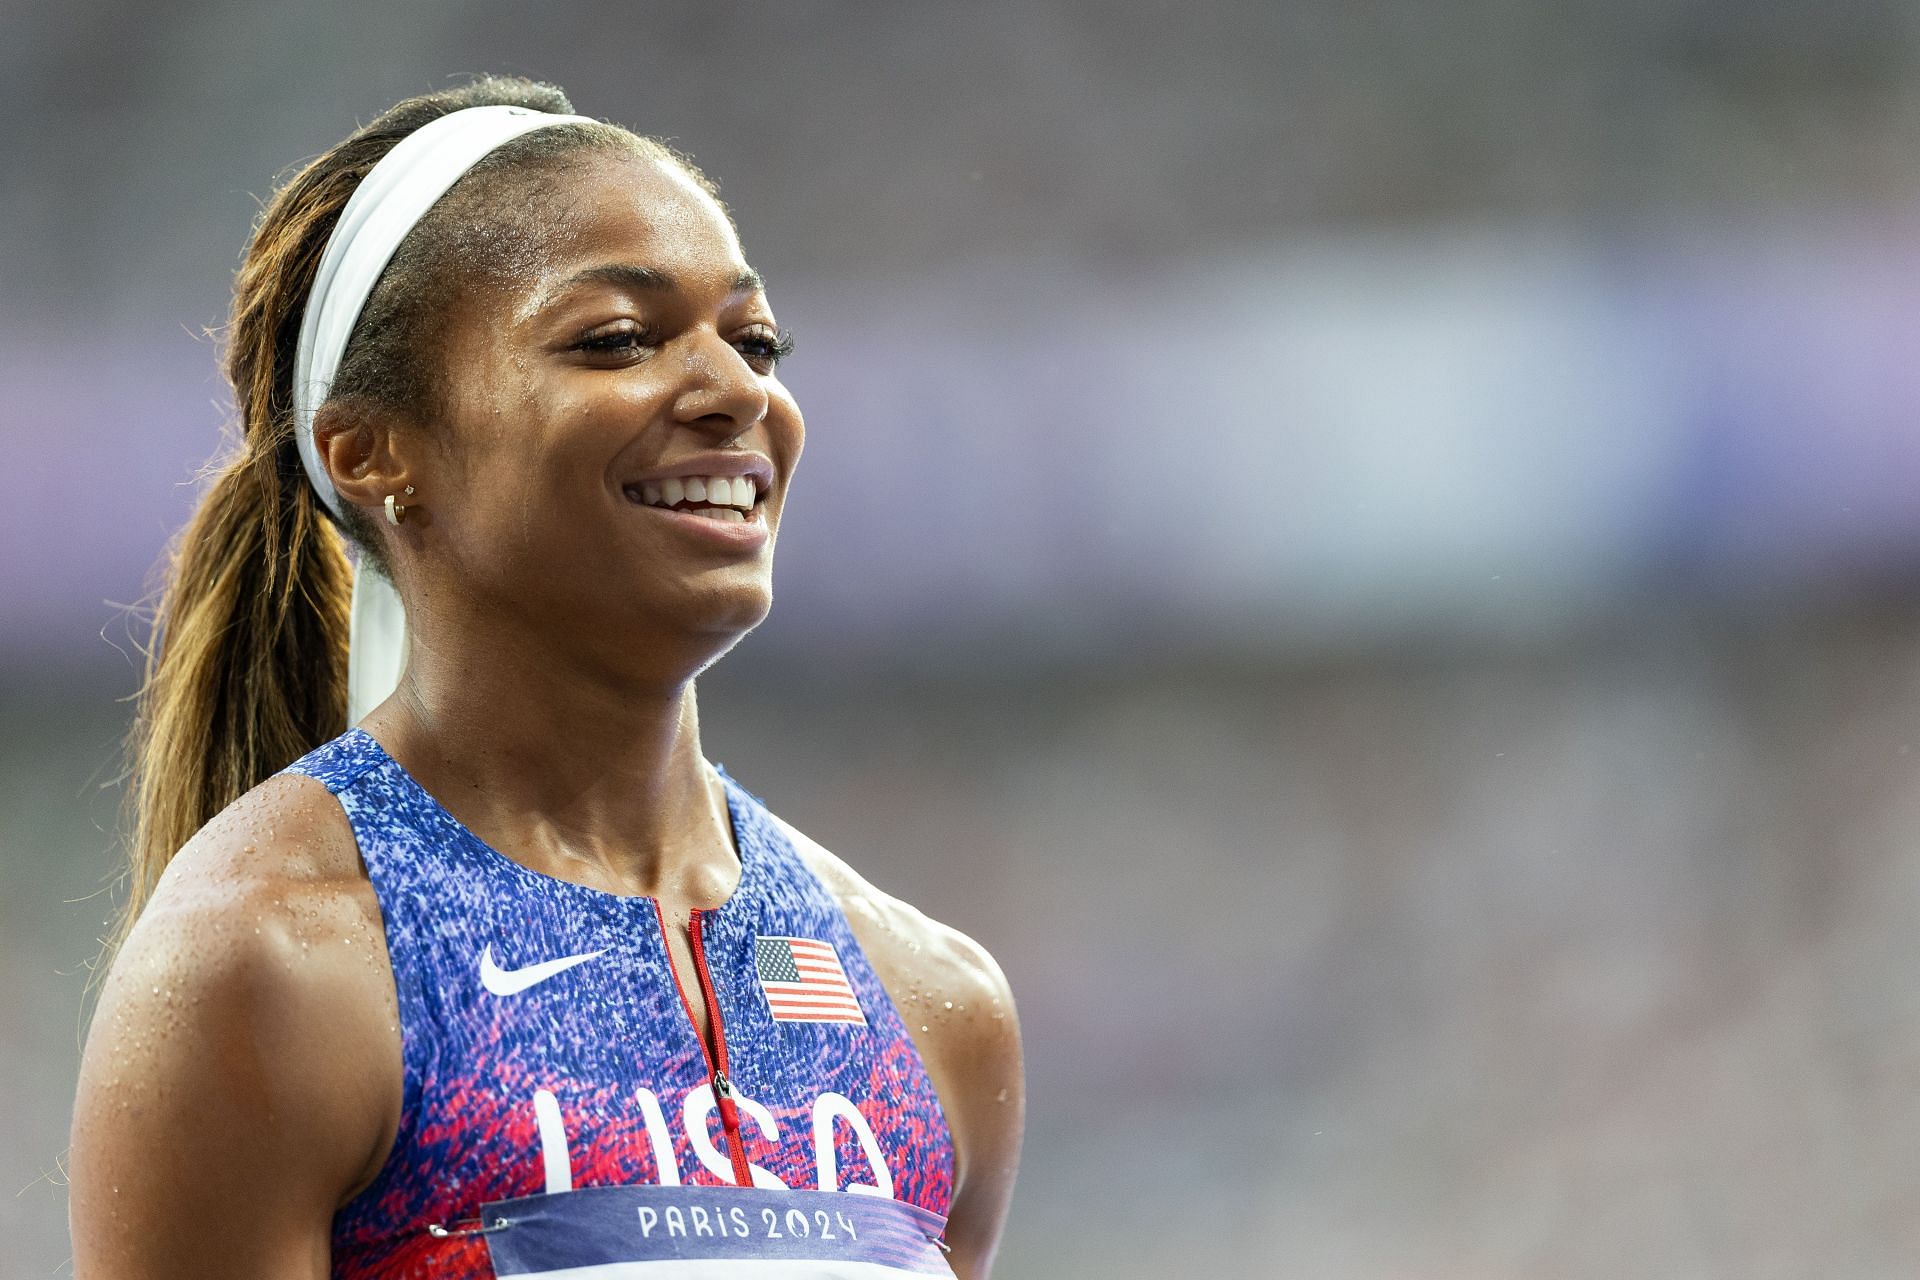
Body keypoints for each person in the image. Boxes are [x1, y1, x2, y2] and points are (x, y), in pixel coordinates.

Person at [68, 76, 1023, 1279]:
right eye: (618, 338)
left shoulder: (932, 1003)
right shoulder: (275, 964)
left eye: (756, 340)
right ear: (370, 453)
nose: (739, 391)